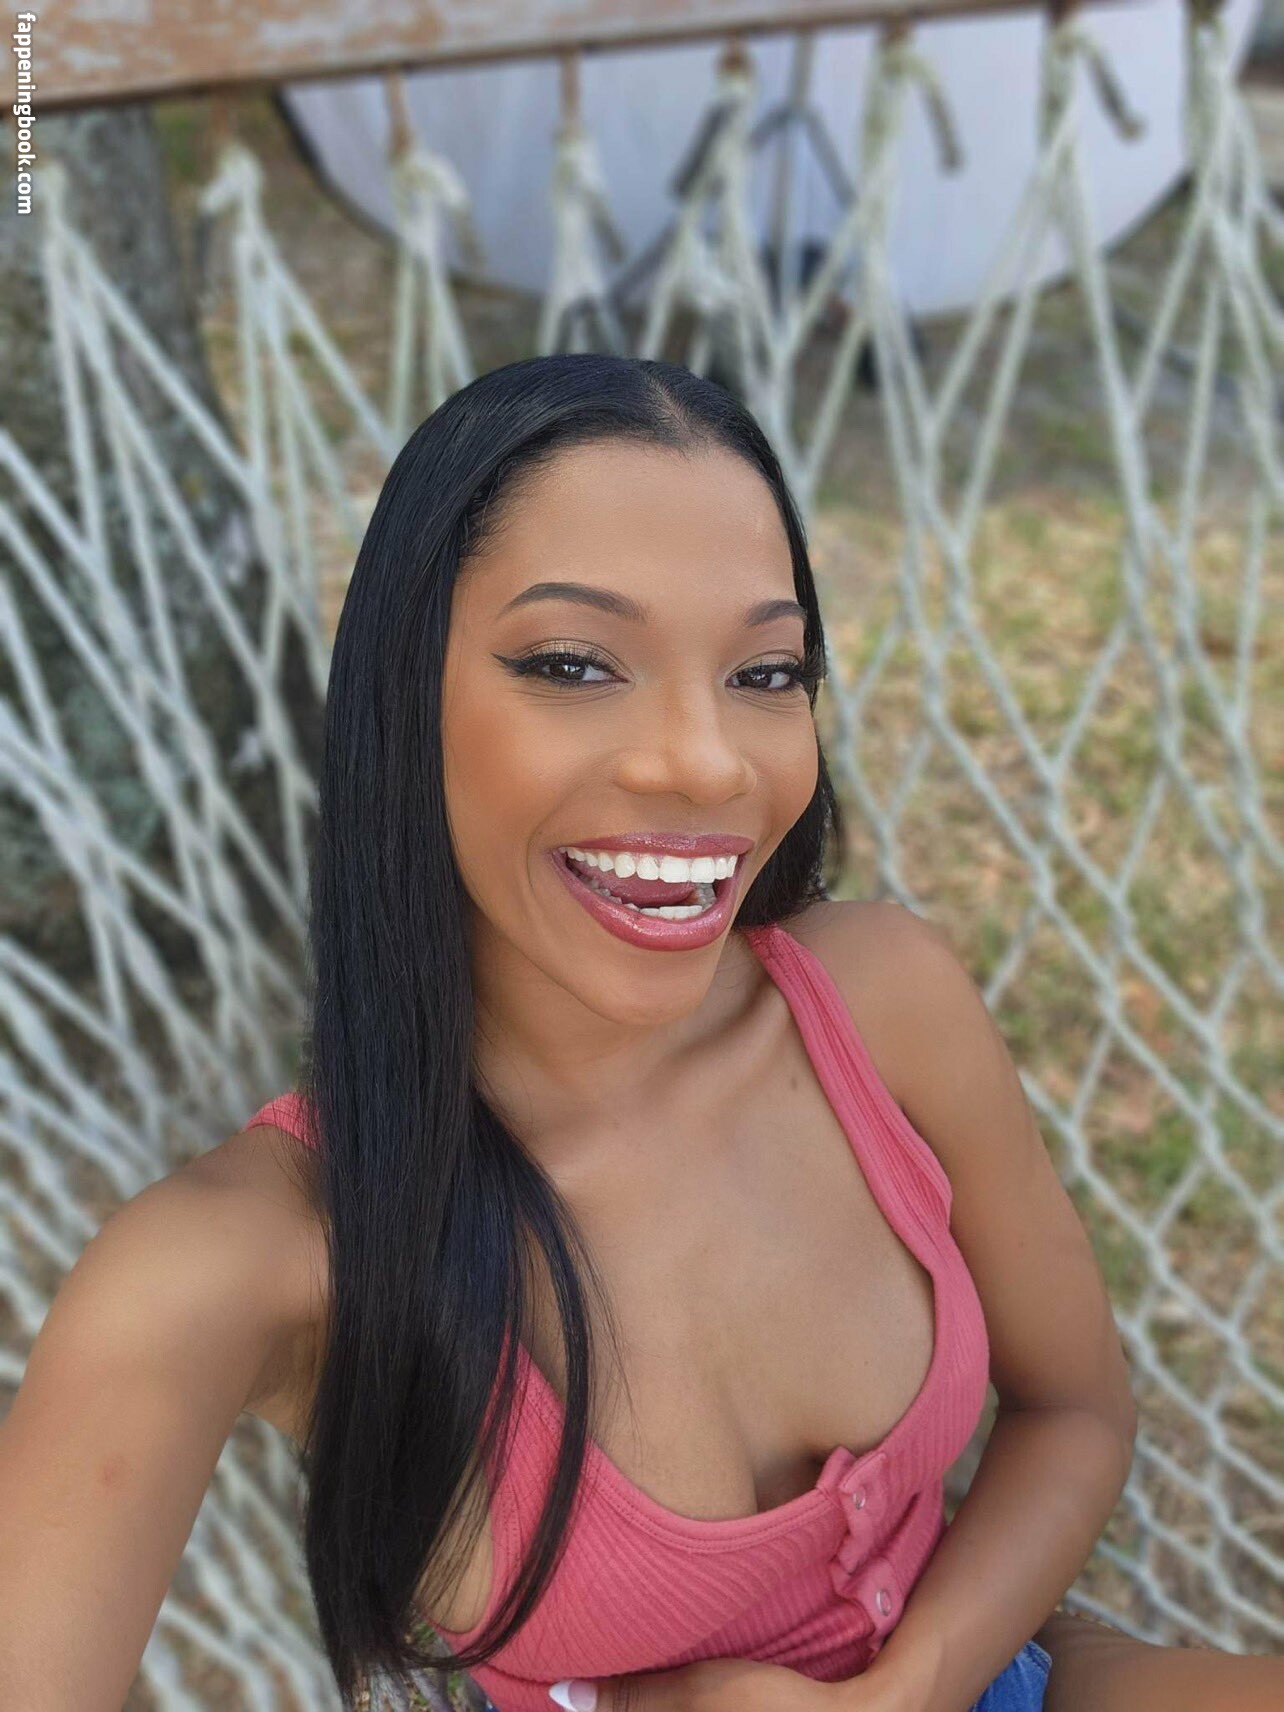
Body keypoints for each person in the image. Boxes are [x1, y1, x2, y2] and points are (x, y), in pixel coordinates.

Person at [2, 355, 1280, 1712]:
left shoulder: (881, 1003)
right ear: (404, 700)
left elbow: (1074, 1413)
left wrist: (908, 1688)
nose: (707, 761)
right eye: (573, 664)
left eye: (766, 672)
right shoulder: (253, 1261)